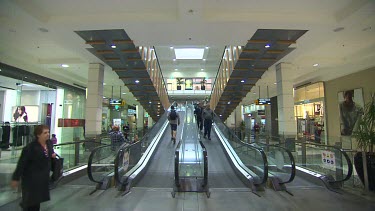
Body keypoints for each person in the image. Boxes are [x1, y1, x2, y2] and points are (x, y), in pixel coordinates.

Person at [11, 125, 56, 211]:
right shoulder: (30, 148)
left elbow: (50, 153)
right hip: (31, 179)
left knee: (36, 202)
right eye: (45, 133)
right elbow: (22, 163)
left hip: (42, 178)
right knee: (30, 202)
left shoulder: (49, 143)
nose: (47, 134)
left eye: (48, 132)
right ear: (38, 135)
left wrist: (52, 155)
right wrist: (15, 178)